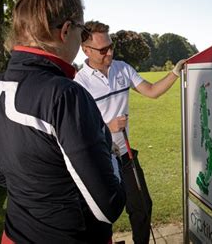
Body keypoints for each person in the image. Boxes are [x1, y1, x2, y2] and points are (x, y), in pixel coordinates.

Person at [0, 0, 126, 243]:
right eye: (81, 34)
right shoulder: (66, 95)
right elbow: (109, 206)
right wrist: (111, 152)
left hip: (14, 235)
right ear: (66, 30)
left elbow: (2, 176)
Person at [74, 21, 186, 244]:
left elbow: (152, 91)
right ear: (86, 50)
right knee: (101, 216)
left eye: (111, 46)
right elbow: (79, 130)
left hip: (125, 155)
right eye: (103, 50)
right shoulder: (79, 83)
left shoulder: (122, 68)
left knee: (142, 207)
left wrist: (175, 73)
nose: (110, 53)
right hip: (99, 160)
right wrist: (108, 127)